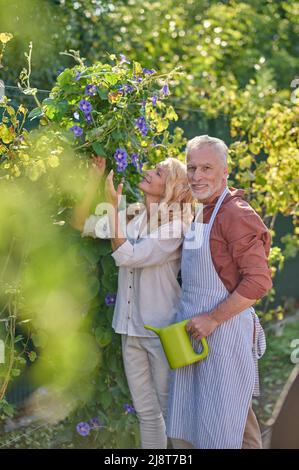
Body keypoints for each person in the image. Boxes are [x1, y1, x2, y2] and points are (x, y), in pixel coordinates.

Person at [71, 155, 193, 449]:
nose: (149, 172)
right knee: (147, 414)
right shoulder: (134, 216)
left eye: (159, 172)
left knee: (171, 413)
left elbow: (128, 256)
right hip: (129, 328)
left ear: (172, 188)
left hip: (161, 331)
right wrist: (93, 181)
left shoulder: (175, 228)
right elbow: (80, 223)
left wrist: (113, 208)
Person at [166, 135, 273, 449]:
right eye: (192, 168)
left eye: (207, 168)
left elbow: (258, 283)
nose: (197, 176)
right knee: (220, 422)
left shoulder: (235, 214)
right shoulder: (202, 211)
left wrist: (212, 319)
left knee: (227, 421)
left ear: (225, 172)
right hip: (195, 335)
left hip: (224, 335)